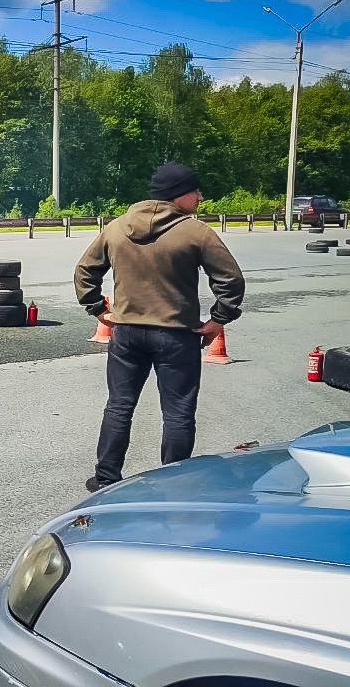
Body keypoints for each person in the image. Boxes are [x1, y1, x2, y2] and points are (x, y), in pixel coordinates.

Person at [74, 162, 245, 493]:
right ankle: (173, 483)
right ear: (177, 194)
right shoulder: (195, 232)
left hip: (126, 333)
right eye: (195, 191)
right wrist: (218, 319)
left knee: (119, 405)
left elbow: (85, 271)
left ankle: (106, 478)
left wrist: (98, 309)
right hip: (176, 335)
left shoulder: (117, 227)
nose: (200, 197)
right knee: (178, 412)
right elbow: (231, 280)